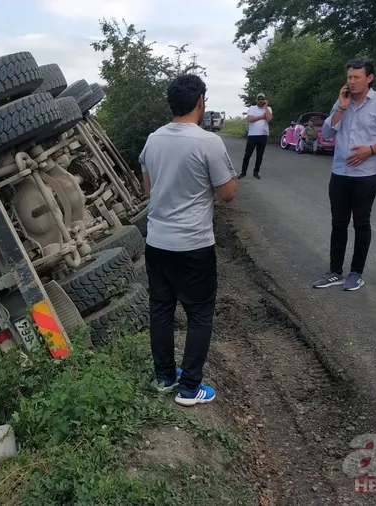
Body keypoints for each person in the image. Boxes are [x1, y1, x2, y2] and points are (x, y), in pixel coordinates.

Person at [139, 73, 237, 407]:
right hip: (194, 244)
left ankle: (165, 377)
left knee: (162, 310)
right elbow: (227, 193)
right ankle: (190, 387)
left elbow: (148, 189)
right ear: (199, 102)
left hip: (157, 241)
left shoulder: (153, 140)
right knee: (199, 314)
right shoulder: (208, 142)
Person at [312, 58, 376, 291]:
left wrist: (371, 150)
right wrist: (341, 107)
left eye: (357, 77)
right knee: (338, 223)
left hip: (367, 174)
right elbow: (326, 132)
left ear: (369, 78)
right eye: (349, 77)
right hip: (340, 173)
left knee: (361, 223)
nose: (352, 82)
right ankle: (335, 271)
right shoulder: (342, 101)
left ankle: (356, 273)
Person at [240, 93, 273, 179]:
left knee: (259, 155)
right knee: (247, 154)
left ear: (265, 100)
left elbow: (269, 118)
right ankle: (243, 172)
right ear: (256, 100)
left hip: (263, 135)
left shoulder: (268, 109)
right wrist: (262, 116)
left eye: (262, 99)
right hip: (252, 135)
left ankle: (256, 172)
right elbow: (250, 119)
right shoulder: (252, 108)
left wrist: (265, 107)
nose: (260, 101)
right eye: (259, 99)